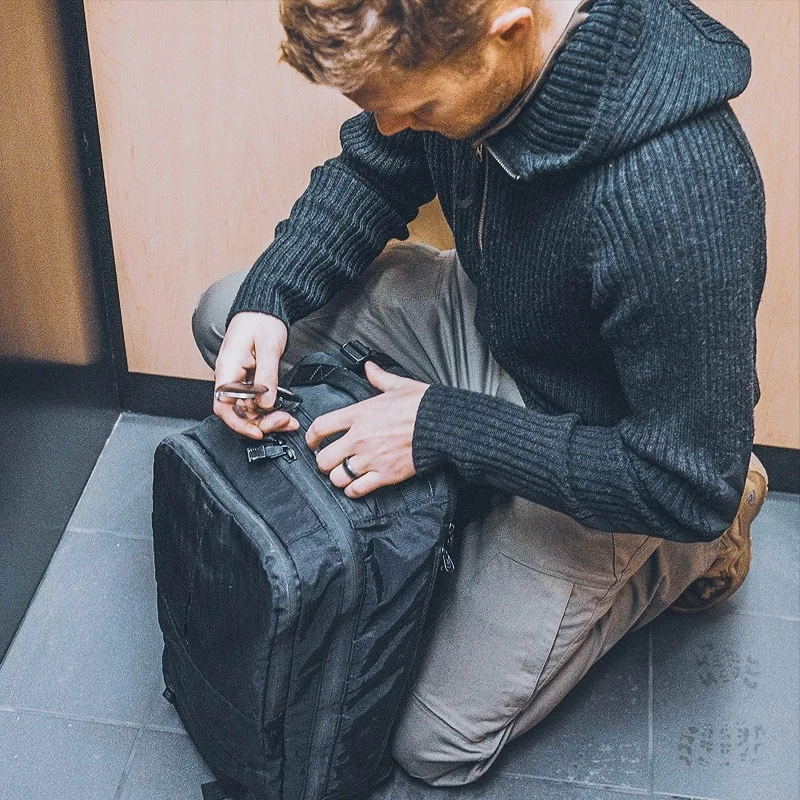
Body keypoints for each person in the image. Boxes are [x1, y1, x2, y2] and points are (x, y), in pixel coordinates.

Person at [192, 0, 768, 786]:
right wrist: (272, 295)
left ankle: (691, 551)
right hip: (493, 321)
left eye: (420, 108)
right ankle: (475, 489)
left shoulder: (677, 192)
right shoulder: (456, 53)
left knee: (434, 746)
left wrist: (443, 431)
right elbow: (376, 166)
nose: (393, 127)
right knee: (228, 317)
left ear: (511, 29)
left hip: (615, 433)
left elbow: (685, 480)